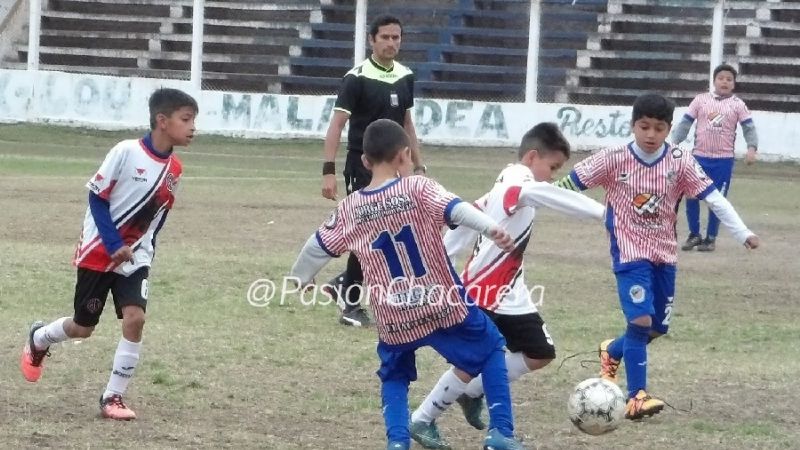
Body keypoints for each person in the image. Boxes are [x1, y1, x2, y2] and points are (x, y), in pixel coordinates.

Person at [291, 119, 526, 450]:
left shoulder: (351, 208)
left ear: (364, 161)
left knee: (395, 375)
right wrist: (491, 229)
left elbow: (316, 246)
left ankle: (398, 442)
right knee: (490, 347)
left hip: (393, 312)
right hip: (440, 301)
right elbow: (457, 209)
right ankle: (501, 432)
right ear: (405, 155)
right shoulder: (418, 187)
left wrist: (300, 277)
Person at [553, 93, 759, 420]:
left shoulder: (680, 161)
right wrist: (526, 196)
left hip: (665, 254)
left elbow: (714, 198)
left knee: (657, 328)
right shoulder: (613, 158)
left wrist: (742, 232)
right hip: (629, 253)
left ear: (670, 129)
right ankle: (637, 397)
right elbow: (565, 186)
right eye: (644, 126)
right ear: (633, 125)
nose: (651, 135)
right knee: (640, 320)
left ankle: (612, 350)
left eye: (659, 128)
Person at [408, 123, 606, 449]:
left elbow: (470, 213)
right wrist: (602, 213)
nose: (552, 177)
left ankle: (471, 393)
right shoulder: (519, 180)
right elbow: (534, 194)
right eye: (552, 167)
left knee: (540, 353)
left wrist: (445, 254)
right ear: (532, 156)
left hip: (512, 292)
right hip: (485, 288)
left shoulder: (506, 179)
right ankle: (422, 419)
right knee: (474, 359)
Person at [19, 88, 198, 420]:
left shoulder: (175, 168)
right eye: (186, 119)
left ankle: (113, 397)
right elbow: (97, 198)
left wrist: (145, 250)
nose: (193, 127)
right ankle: (40, 337)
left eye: (193, 121)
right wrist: (114, 244)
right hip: (100, 249)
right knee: (83, 328)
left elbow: (158, 216)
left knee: (136, 318)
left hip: (135, 256)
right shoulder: (126, 151)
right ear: (162, 121)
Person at [320, 14, 425, 327]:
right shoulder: (356, 77)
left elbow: (407, 124)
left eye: (396, 38)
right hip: (362, 165)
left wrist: (417, 165)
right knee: (369, 232)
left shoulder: (406, 76)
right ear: (371, 40)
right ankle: (350, 302)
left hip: (396, 166)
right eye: (385, 38)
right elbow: (336, 125)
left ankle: (345, 285)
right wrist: (328, 170)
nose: (391, 43)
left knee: (394, 230)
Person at [671, 63, 759, 252]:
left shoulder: (737, 105)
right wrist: (673, 144)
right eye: (721, 78)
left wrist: (752, 148)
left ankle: (710, 238)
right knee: (691, 195)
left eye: (729, 79)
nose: (724, 82)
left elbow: (749, 128)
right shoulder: (700, 100)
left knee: (717, 200)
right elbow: (686, 123)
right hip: (698, 158)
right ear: (714, 81)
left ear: (733, 84)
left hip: (723, 160)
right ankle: (694, 235)